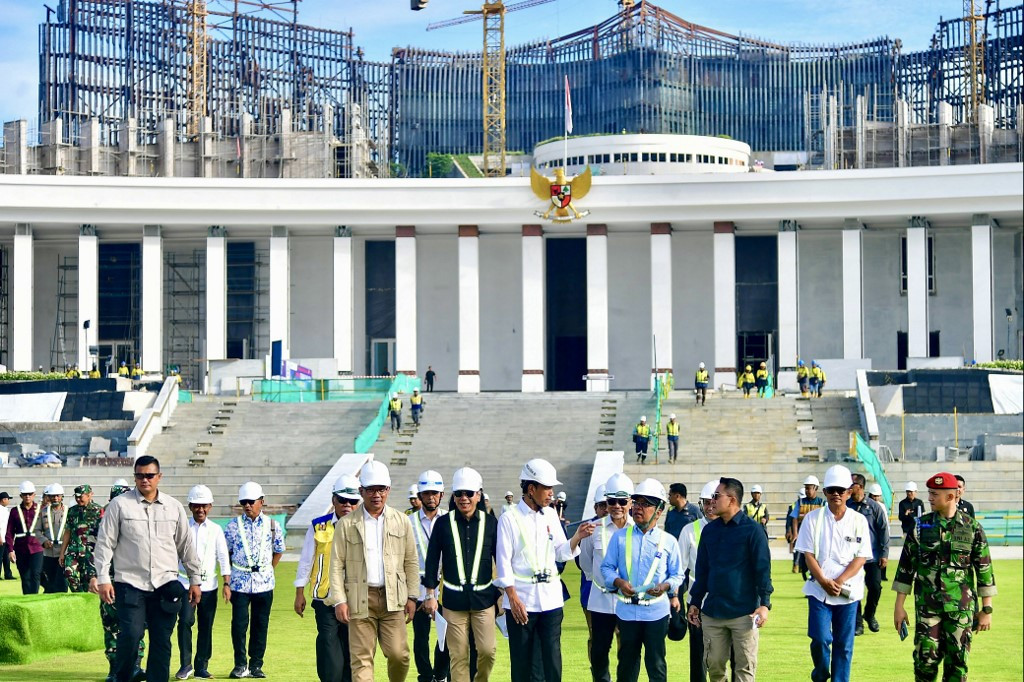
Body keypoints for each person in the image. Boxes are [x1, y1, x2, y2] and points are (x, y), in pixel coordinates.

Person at [92, 456, 202, 682]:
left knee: (162, 641)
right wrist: (103, 578)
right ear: (135, 477)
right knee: (131, 636)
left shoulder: (173, 507)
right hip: (130, 583)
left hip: (165, 584)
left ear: (159, 477)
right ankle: (122, 677)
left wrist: (195, 580)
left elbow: (186, 545)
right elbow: (105, 543)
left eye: (149, 475)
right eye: (140, 475)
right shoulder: (120, 505)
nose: (145, 480)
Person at [495, 458, 594, 682]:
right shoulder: (509, 519)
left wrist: (577, 536)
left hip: (551, 601)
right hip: (521, 602)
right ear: (531, 489)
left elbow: (560, 552)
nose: (551, 493)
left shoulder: (550, 515)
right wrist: (512, 598)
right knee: (522, 665)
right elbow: (503, 562)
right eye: (547, 488)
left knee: (552, 663)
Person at [892, 471, 997, 682]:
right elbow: (905, 567)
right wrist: (899, 606)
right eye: (929, 493)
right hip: (927, 608)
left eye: (934, 494)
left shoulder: (972, 528)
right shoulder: (921, 527)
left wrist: (986, 609)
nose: (929, 498)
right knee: (925, 662)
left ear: (950, 496)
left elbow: (984, 569)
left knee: (957, 664)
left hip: (961, 609)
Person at [326, 460, 420, 682]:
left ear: (388, 490)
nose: (376, 494)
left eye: (381, 489)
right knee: (361, 660)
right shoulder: (346, 524)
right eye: (370, 489)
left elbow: (411, 561)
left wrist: (413, 596)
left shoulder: (402, 521)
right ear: (361, 491)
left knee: (400, 655)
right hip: (360, 598)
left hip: (393, 598)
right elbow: (336, 565)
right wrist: (339, 600)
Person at [687, 478, 773, 682]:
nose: (712, 501)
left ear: (732, 499)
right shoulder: (709, 531)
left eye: (716, 496)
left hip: (744, 614)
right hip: (713, 613)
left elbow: (763, 570)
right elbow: (702, 572)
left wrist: (765, 604)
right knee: (714, 667)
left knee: (744, 671)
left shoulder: (753, 531)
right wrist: (695, 602)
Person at [422, 467, 501, 682]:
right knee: (458, 656)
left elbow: (502, 561)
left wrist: (504, 592)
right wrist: (429, 594)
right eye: (458, 494)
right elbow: (432, 561)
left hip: (484, 601)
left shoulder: (491, 523)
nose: (463, 498)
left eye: (468, 493)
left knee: (487, 652)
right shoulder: (443, 523)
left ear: (478, 494)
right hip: (453, 602)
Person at [795, 465, 873, 682]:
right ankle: (820, 673)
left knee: (844, 645)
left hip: (848, 592)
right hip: (819, 591)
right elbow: (808, 555)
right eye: (831, 490)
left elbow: (861, 557)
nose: (836, 494)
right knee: (820, 638)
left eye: (841, 490)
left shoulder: (859, 521)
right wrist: (824, 580)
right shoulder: (812, 519)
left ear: (849, 491)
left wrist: (838, 581)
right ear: (825, 493)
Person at [600, 479, 683, 682]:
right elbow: (606, 568)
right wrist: (619, 582)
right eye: (636, 503)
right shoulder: (620, 537)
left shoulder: (669, 541)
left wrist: (665, 586)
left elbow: (677, 574)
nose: (638, 508)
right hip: (627, 612)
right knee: (627, 665)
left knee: (656, 664)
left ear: (659, 510)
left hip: (656, 612)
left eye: (645, 504)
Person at [295, 475, 361, 682]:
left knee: (353, 651)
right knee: (329, 647)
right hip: (325, 598)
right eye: (342, 500)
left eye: (352, 501)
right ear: (333, 500)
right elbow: (307, 560)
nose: (347, 505)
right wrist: (299, 592)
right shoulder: (318, 526)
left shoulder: (366, 526)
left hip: (356, 598)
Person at [224, 481, 285, 679]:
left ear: (261, 502)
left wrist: (266, 570)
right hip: (239, 583)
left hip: (264, 584)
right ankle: (240, 665)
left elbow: (278, 551)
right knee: (239, 625)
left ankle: (256, 665)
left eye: (251, 501)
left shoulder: (272, 525)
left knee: (261, 625)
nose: (247, 506)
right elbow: (228, 552)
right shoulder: (233, 526)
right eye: (244, 502)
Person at [175, 485, 231, 680]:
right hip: (184, 584)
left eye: (204, 506)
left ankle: (202, 666)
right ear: (190, 506)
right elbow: (174, 555)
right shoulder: (182, 528)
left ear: (210, 506)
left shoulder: (216, 530)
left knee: (206, 626)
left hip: (209, 586)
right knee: (185, 623)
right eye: (197, 506)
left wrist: (226, 583)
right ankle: (185, 665)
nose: (201, 510)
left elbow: (223, 557)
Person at [579, 477, 629, 682]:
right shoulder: (593, 529)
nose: (616, 506)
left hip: (627, 601)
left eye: (622, 501)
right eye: (611, 502)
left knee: (627, 650)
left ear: (630, 502)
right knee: (599, 652)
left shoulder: (636, 528)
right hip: (599, 600)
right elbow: (585, 563)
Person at [409, 470, 450, 682]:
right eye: (426, 493)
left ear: (442, 495)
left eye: (435, 493)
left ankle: (441, 675)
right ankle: (425, 676)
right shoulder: (408, 522)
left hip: (444, 588)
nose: (431, 497)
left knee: (446, 634)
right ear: (420, 495)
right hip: (416, 589)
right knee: (420, 637)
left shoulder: (449, 520)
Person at [677, 480, 718, 682]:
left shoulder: (733, 529)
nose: (710, 507)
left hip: (725, 602)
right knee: (698, 654)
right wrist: (675, 598)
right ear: (700, 504)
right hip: (697, 603)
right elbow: (679, 570)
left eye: (714, 502)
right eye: (706, 503)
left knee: (726, 654)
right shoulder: (689, 531)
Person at [847, 473, 889, 636]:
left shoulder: (874, 507)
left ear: (861, 487)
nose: (850, 488)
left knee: (875, 587)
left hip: (871, 556)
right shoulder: (847, 506)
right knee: (852, 589)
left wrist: (884, 553)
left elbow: (883, 530)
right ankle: (858, 623)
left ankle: (869, 614)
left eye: (853, 484)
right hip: (852, 557)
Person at [5, 480, 43, 594]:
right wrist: (10, 550)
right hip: (21, 548)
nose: (27, 496)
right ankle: (27, 597)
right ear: (21, 495)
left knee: (35, 574)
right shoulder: (15, 511)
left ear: (34, 495)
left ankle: (34, 598)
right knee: (25, 576)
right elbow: (9, 532)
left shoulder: (40, 509)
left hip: (37, 547)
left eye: (30, 494)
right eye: (25, 494)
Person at [789, 476, 825, 579]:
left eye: (809, 488)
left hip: (817, 538)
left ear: (816, 488)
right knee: (803, 565)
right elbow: (795, 518)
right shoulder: (800, 502)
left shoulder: (822, 503)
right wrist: (795, 533)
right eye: (806, 488)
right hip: (804, 537)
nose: (807, 490)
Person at [37, 483, 69, 593]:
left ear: (62, 496)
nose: (55, 498)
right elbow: (36, 530)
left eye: (58, 495)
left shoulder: (69, 512)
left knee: (62, 582)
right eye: (53, 496)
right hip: (48, 552)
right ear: (49, 497)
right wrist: (44, 540)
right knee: (50, 581)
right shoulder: (43, 512)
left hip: (64, 552)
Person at [0, 491, 13, 580]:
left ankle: (8, 574)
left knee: (6, 557)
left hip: (5, 538)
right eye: (7, 499)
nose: (8, 501)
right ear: (3, 500)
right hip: (1, 538)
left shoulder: (5, 510)